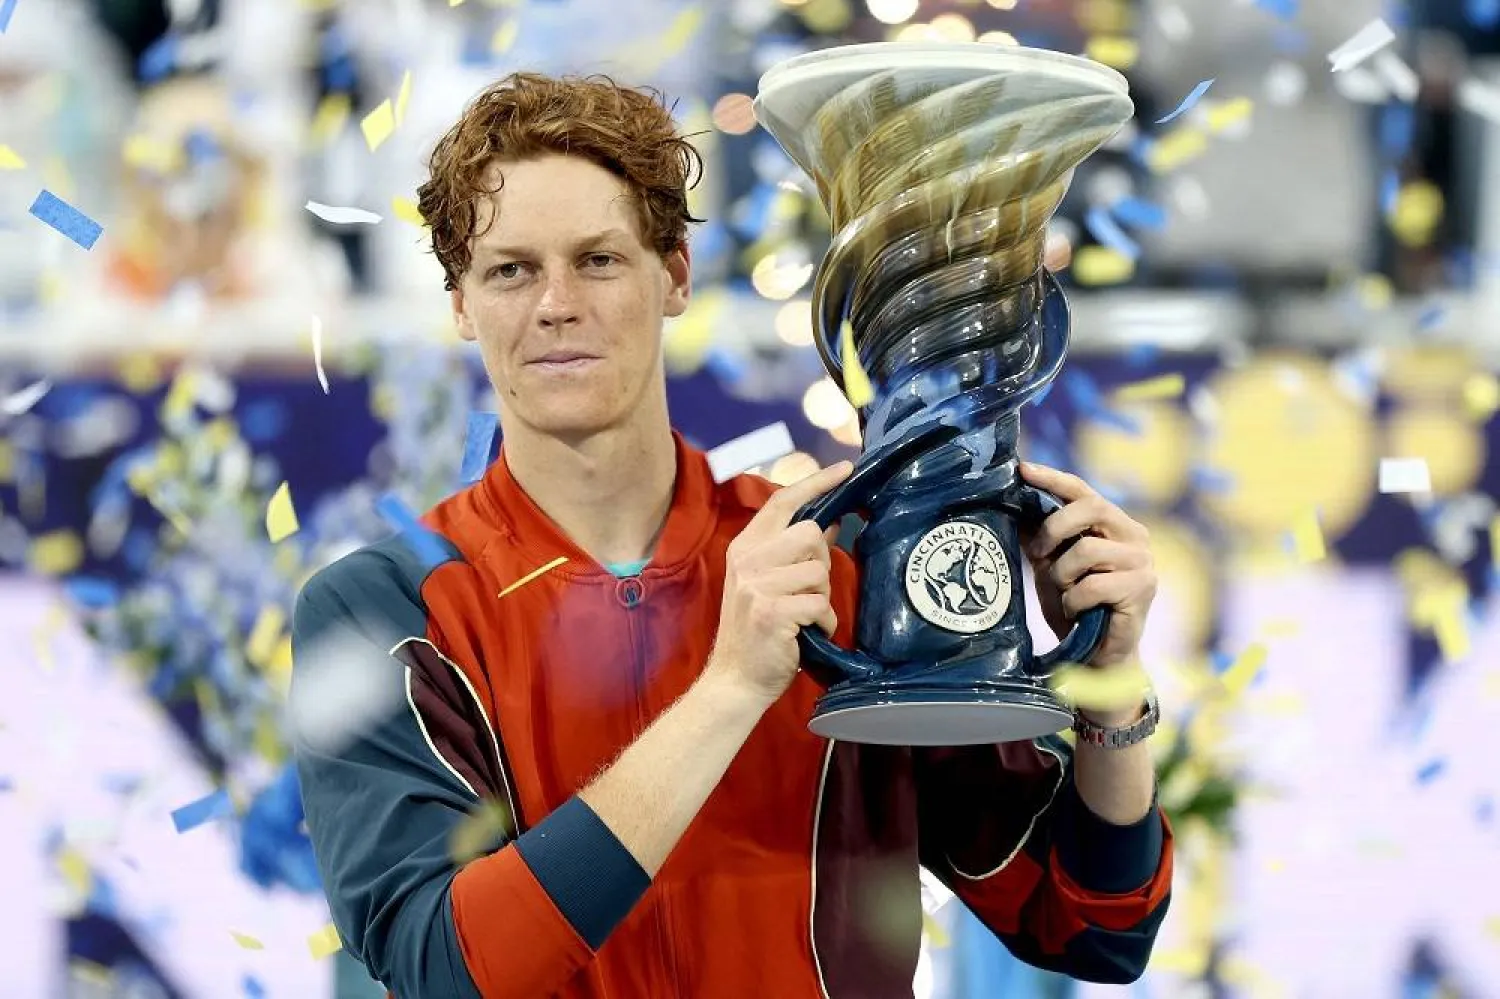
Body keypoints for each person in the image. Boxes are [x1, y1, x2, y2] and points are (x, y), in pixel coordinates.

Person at [290, 71, 1172, 999]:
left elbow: (1090, 929)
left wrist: (1110, 686)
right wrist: (732, 686)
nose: (556, 303)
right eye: (510, 269)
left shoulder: (836, 566)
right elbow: (446, 969)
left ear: (673, 274)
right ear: (462, 303)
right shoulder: (383, 609)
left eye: (598, 259)